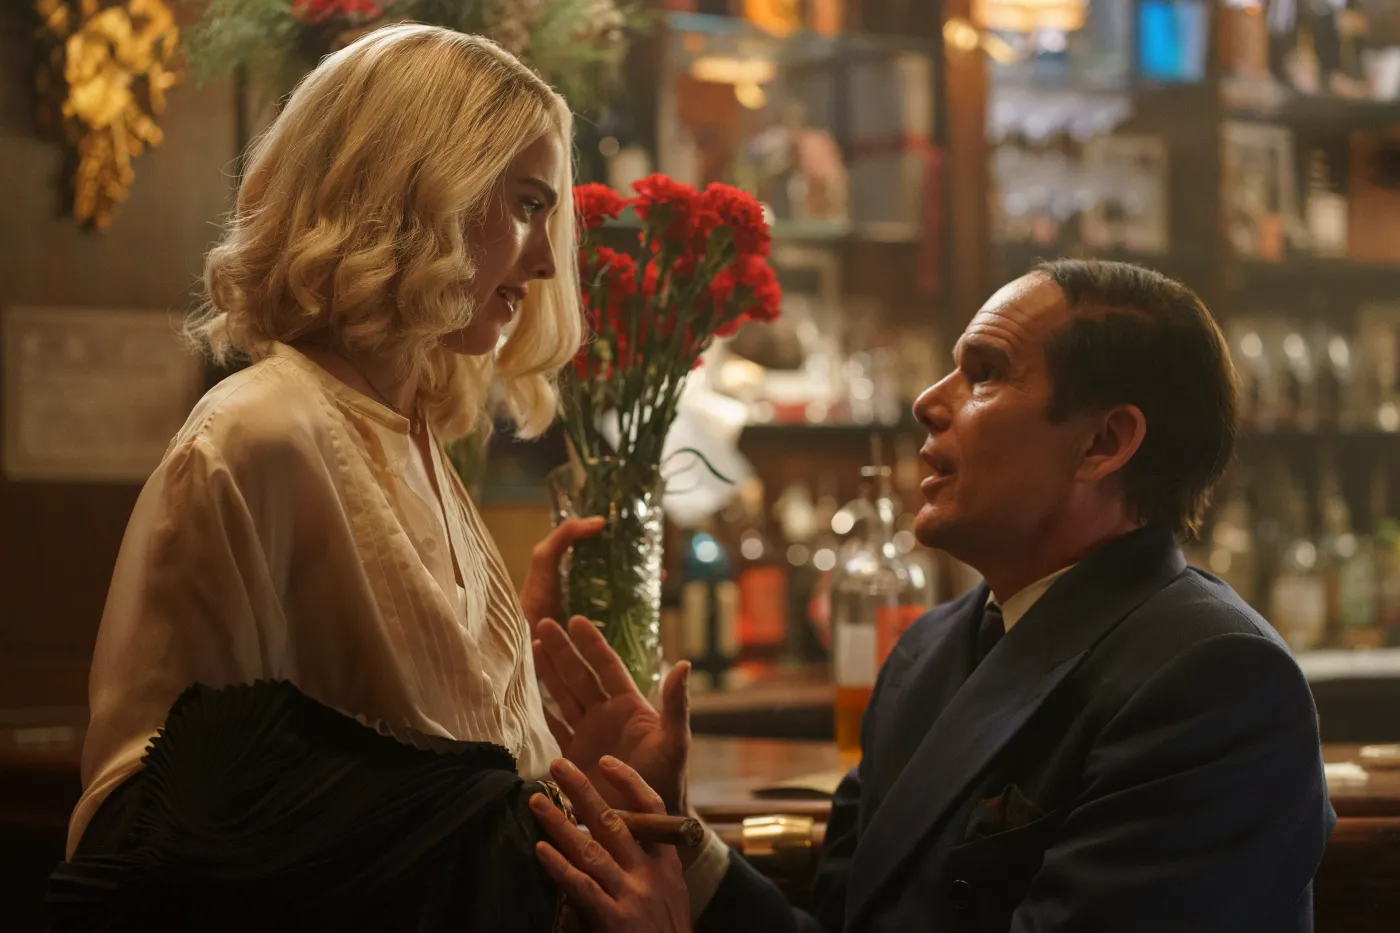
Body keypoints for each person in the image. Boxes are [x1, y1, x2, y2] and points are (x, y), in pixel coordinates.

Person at [532, 260, 1336, 932]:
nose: (928, 399)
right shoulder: (928, 650)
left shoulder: (1214, 681)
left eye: (984, 373)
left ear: (1103, 442)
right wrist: (675, 836)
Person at [64, 23, 615, 862]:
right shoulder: (258, 437)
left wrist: (531, 714)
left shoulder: (413, 430)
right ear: (419, 189)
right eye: (528, 205)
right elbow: (139, 828)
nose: (545, 260)